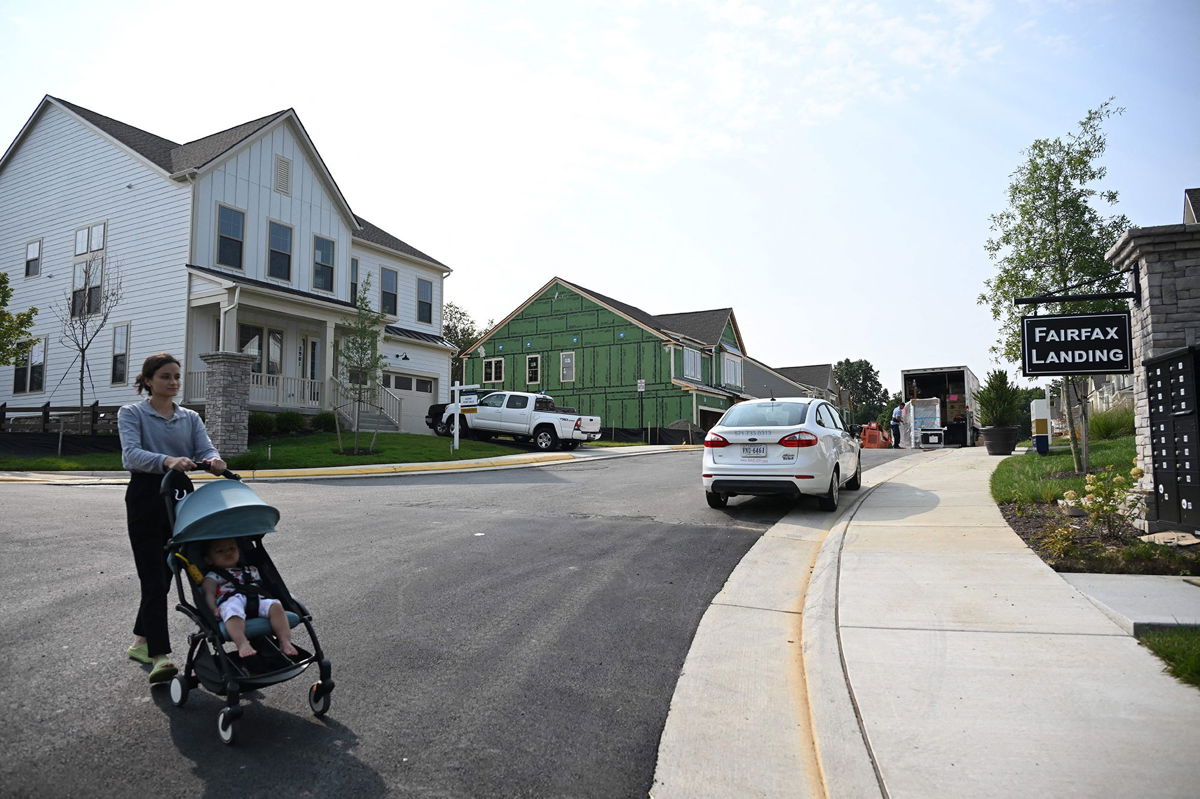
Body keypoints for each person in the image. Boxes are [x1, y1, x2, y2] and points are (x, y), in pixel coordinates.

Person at [118, 353, 226, 684]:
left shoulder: (190, 417)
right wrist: (168, 460)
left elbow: (204, 449)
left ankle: (140, 641)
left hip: (181, 497)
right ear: (148, 380)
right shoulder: (132, 413)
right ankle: (159, 656)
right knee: (153, 577)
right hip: (146, 497)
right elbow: (130, 455)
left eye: (177, 376)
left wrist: (214, 460)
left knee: (178, 573)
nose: (173, 382)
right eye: (166, 376)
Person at [202, 538, 298, 659]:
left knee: (276, 606)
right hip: (231, 600)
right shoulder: (213, 576)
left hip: (256, 598)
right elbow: (208, 593)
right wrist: (213, 608)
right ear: (208, 559)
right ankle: (242, 643)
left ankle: (285, 641)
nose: (228, 553)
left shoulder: (251, 569)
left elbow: (263, 585)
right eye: (220, 551)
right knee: (231, 611)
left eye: (232, 549)